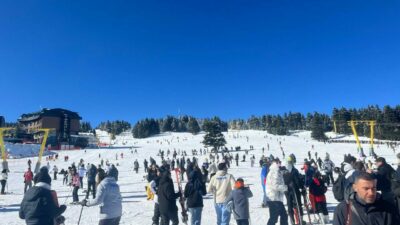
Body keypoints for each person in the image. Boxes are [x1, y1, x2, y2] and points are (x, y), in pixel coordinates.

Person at [333, 172, 400, 225]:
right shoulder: (343, 209)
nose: (371, 193)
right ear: (355, 188)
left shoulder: (388, 208)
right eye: (366, 188)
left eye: (373, 188)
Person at [265, 160, 288, 225]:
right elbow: (275, 186)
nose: (280, 164)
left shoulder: (275, 171)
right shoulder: (275, 172)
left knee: (283, 216)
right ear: (276, 163)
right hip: (273, 198)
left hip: (275, 198)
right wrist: (286, 187)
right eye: (279, 163)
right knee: (274, 218)